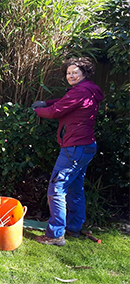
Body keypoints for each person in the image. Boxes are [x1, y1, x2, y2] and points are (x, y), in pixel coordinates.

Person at [31, 57, 104, 246]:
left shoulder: (80, 91)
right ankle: (73, 228)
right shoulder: (86, 90)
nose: (70, 75)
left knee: (57, 188)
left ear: (84, 73)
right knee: (75, 188)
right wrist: (45, 102)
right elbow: (63, 101)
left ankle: (55, 234)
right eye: (68, 73)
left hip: (74, 147)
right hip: (86, 146)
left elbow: (56, 111)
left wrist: (37, 110)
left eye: (75, 72)